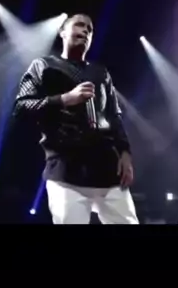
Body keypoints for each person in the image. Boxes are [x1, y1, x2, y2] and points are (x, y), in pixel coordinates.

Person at [13, 13, 139, 224]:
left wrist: (125, 152)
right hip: (66, 173)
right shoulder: (43, 66)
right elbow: (21, 106)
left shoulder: (100, 72)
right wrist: (64, 99)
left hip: (108, 170)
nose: (85, 31)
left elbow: (114, 115)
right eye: (80, 25)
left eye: (90, 30)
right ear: (62, 32)